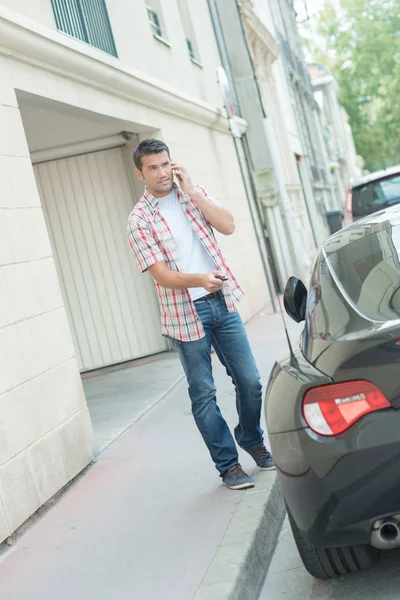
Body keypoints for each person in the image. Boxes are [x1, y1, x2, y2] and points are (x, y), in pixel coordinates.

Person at [127, 138, 274, 490]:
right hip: (185, 312)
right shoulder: (138, 220)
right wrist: (199, 280)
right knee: (203, 392)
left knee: (250, 380)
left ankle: (250, 438)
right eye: (152, 167)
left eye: (165, 164)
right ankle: (228, 466)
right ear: (140, 173)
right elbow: (161, 274)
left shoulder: (191, 195)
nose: (162, 172)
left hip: (221, 301)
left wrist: (192, 191)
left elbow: (228, 225)